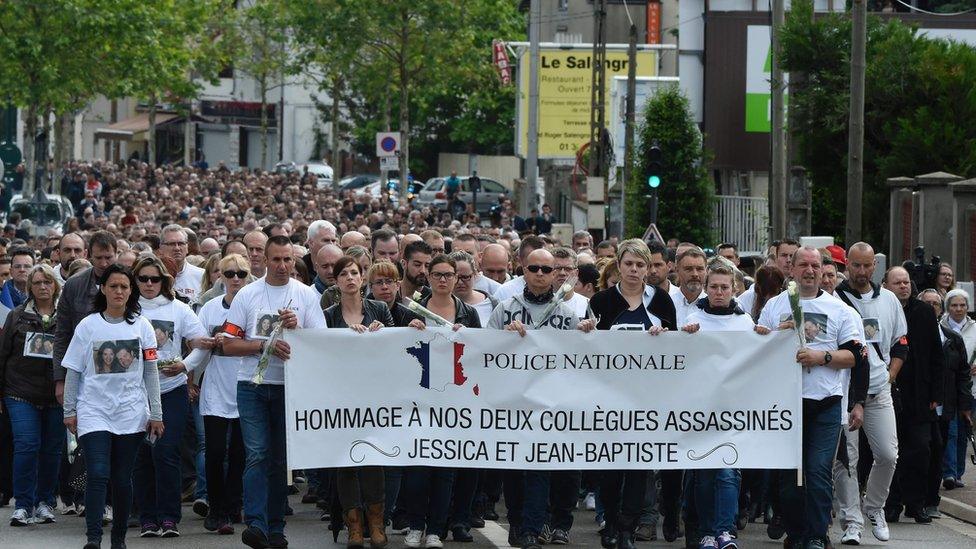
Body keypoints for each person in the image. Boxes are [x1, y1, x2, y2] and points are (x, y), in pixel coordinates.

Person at [222, 235, 327, 549]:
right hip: (252, 387)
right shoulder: (248, 295)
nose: (283, 266)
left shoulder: (306, 296)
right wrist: (262, 344)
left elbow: (320, 343)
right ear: (264, 261)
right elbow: (228, 344)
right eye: (276, 259)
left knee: (281, 461)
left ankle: (276, 528)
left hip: (288, 388)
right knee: (258, 453)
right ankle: (256, 523)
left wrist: (298, 331)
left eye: (288, 260)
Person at [758, 247, 863, 549]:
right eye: (802, 264)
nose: (809, 270)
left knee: (817, 470)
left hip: (825, 403)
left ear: (822, 270)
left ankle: (818, 534)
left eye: (815, 265)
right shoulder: (776, 306)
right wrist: (780, 335)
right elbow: (758, 348)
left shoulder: (841, 310)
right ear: (791, 269)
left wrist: (822, 356)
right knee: (791, 476)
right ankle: (797, 532)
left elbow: (855, 355)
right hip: (787, 404)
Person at [488, 248, 590, 549]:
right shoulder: (505, 308)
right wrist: (504, 336)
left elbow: (581, 358)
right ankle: (519, 523)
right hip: (515, 403)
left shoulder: (567, 313)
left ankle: (534, 528)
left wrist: (585, 333)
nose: (541, 274)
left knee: (541, 467)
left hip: (553, 404)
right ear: (523, 269)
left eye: (547, 270)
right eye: (535, 268)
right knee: (515, 471)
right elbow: (484, 350)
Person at [62, 264, 164, 549]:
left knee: (121, 478)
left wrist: (156, 413)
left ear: (131, 292)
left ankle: (118, 539)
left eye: (124, 287)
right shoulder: (87, 325)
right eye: (113, 286)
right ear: (103, 289)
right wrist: (69, 410)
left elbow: (151, 372)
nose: (119, 291)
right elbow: (73, 370)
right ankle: (93, 538)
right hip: (94, 409)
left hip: (131, 412)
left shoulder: (142, 326)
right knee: (97, 472)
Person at [588, 239, 677, 549]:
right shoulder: (601, 302)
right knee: (610, 470)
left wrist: (664, 337)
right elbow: (589, 351)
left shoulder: (662, 301)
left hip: (647, 400)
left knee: (639, 469)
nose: (635, 270)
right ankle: (610, 524)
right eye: (629, 264)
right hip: (609, 399)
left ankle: (627, 528)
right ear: (619, 265)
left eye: (641, 265)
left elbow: (676, 351)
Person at [682, 263, 769, 549]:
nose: (719, 292)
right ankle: (707, 531)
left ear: (734, 289)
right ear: (706, 289)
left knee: (729, 472)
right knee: (704, 474)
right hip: (700, 409)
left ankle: (725, 531)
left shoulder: (744, 322)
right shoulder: (692, 318)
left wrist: (764, 339)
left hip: (734, 409)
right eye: (714, 287)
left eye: (724, 287)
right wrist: (685, 337)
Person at [130, 256, 212, 538]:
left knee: (166, 452)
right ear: (135, 280)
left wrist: (185, 366)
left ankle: (169, 517)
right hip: (135, 392)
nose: (149, 284)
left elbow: (201, 343)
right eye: (143, 279)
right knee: (141, 455)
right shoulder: (128, 310)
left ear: (164, 281)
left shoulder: (179, 309)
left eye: (155, 279)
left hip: (171, 389)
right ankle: (147, 518)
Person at [405, 254, 481, 546]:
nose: (443, 279)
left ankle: (436, 529)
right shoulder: (413, 310)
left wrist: (469, 337)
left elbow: (478, 355)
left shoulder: (467, 313)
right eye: (437, 274)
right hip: (419, 400)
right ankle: (415, 525)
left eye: (449, 275)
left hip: (454, 402)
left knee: (445, 471)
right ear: (429, 277)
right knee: (417, 470)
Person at [832, 243, 906, 543]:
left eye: (866, 266)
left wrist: (890, 375)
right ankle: (852, 520)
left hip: (878, 390)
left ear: (874, 265)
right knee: (845, 460)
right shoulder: (835, 299)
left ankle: (874, 506)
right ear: (847, 264)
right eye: (856, 266)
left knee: (888, 455)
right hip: (844, 391)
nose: (861, 272)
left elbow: (901, 344)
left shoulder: (888, 300)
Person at [325, 256, 393, 549]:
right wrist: (343, 338)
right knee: (346, 460)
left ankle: (376, 523)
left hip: (374, 395)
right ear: (337, 281)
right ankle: (353, 525)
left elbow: (395, 345)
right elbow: (320, 348)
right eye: (344, 274)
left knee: (373, 457)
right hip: (340, 396)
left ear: (362, 278)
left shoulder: (378, 308)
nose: (350, 278)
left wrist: (382, 333)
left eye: (355, 273)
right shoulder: (328, 314)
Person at [0, 264, 62, 526]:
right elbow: (3, 354)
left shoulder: (66, 317)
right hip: (20, 391)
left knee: (51, 450)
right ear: (30, 287)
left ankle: (45, 502)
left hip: (56, 394)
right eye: (37, 283)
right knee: (27, 445)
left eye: (47, 282)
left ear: (55, 285)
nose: (43, 287)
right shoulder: (16, 316)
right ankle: (23, 505)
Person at [194, 254, 251, 535]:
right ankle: (216, 507)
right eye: (229, 274)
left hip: (246, 385)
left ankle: (231, 506)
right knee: (215, 452)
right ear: (221, 277)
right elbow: (198, 348)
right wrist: (187, 373)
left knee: (241, 453)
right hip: (216, 386)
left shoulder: (254, 305)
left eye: (241, 273)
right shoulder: (209, 309)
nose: (236, 279)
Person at [917, 289, 972, 519]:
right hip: (917, 407)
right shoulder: (910, 335)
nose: (932, 308)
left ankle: (931, 501)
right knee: (918, 451)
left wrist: (964, 405)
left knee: (938, 451)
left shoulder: (953, 339)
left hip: (944, 406)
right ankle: (910, 498)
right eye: (927, 304)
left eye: (935, 304)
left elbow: (962, 374)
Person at [939, 288, 976, 490]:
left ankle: (958, 472)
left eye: (962, 305)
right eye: (954, 305)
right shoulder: (941, 327)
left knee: (964, 431)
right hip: (949, 390)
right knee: (951, 431)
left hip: (971, 390)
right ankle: (949, 473)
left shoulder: (975, 328)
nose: (959, 309)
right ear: (948, 307)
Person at [159, 225, 205, 305]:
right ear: (161, 248)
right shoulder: (152, 277)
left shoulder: (202, 275)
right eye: (172, 244)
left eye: (180, 243)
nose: (177, 248)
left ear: (187, 247)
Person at [450, 251, 496, 328]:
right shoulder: (435, 303)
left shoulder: (492, 304)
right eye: (455, 277)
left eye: (465, 277)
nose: (460, 282)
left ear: (475, 275)